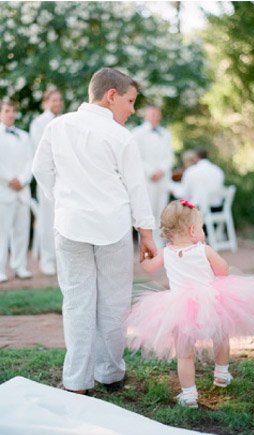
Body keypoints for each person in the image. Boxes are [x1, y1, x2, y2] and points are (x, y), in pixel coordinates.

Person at [32, 68, 156, 394]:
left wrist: (61, 199)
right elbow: (136, 189)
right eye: (129, 101)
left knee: (77, 303)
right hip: (111, 230)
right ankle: (111, 375)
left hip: (69, 226)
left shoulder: (57, 127)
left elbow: (39, 169)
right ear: (111, 95)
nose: (132, 110)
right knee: (113, 303)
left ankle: (76, 382)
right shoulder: (121, 137)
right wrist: (146, 235)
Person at [127, 199, 254, 408]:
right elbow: (223, 270)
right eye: (201, 227)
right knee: (221, 335)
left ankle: (189, 394)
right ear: (192, 230)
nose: (202, 231)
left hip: (179, 309)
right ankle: (221, 373)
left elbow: (149, 267)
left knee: (184, 354)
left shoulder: (166, 252)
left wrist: (143, 258)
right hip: (210, 304)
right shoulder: (203, 250)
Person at [30, 88, 63, 275]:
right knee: (47, 220)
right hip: (46, 179)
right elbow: (39, 153)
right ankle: (47, 259)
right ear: (45, 102)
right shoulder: (38, 123)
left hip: (64, 180)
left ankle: (60, 259)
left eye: (59, 100)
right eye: (53, 100)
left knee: (62, 220)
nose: (57, 103)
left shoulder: (65, 121)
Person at [0, 100, 33, 283]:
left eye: (13, 111)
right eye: (7, 111)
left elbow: (30, 161)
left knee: (22, 231)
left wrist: (22, 179)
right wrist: (9, 179)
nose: (11, 114)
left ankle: (19, 266)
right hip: (3, 191)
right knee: (1, 233)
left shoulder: (24, 136)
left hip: (22, 191)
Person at [132, 106, 174, 248]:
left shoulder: (166, 134)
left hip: (162, 180)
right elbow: (136, 157)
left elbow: (169, 157)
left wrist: (161, 170)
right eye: (152, 114)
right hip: (147, 180)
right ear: (146, 116)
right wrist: (151, 172)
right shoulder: (137, 133)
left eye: (157, 114)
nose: (155, 117)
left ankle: (160, 245)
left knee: (161, 212)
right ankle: (147, 246)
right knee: (146, 213)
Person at [170, 147, 225, 213]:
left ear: (196, 157)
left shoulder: (191, 171)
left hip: (199, 210)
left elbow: (184, 194)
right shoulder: (218, 170)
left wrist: (173, 190)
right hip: (217, 208)